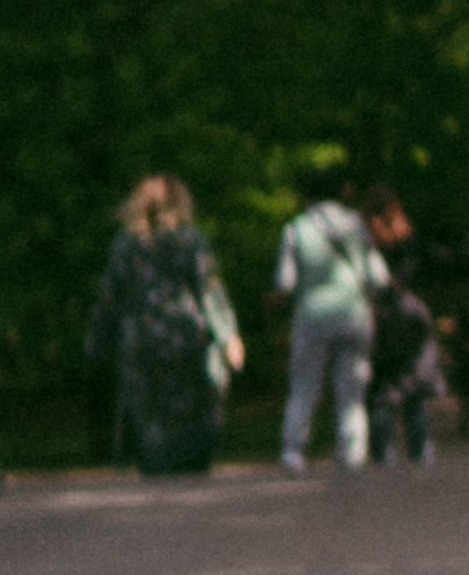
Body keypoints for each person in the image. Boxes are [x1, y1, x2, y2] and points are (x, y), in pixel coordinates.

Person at [84, 178, 244, 478]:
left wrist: (97, 341)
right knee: (192, 406)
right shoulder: (190, 240)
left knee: (149, 412)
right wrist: (227, 336)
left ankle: (155, 463)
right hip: (185, 336)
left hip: (141, 340)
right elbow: (209, 291)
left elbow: (110, 297)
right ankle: (193, 460)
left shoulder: (126, 245)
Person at [274, 181, 389, 474]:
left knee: (304, 386)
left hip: (311, 317)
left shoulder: (295, 228)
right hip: (353, 314)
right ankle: (352, 452)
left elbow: (284, 283)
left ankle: (292, 451)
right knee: (351, 389)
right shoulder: (355, 226)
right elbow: (378, 276)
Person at [361, 202, 446, 465]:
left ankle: (384, 456)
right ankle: (418, 453)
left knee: (382, 393)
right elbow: (442, 258)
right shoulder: (408, 247)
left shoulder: (364, 248)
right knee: (411, 391)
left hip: (378, 320)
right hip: (405, 320)